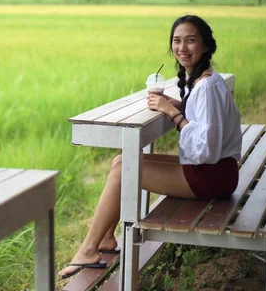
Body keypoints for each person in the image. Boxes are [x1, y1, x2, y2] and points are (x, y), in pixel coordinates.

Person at [58, 15, 242, 280]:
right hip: (215, 171)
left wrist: (172, 113)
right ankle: (107, 238)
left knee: (124, 170)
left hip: (212, 176)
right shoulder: (204, 81)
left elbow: (206, 149)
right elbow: (206, 124)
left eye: (191, 40)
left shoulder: (208, 87)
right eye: (177, 41)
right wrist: (181, 106)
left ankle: (88, 250)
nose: (182, 47)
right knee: (122, 162)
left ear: (206, 45)